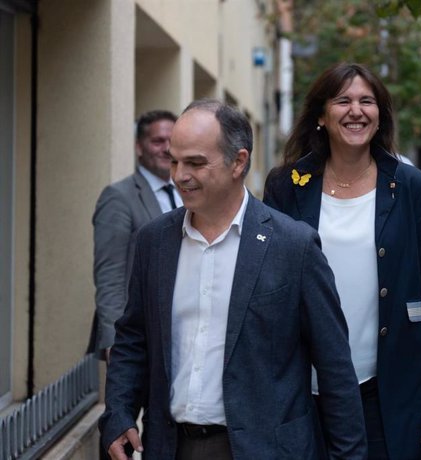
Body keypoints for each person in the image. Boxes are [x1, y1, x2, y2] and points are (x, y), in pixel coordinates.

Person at [99, 99, 367, 460]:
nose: (180, 175)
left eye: (195, 163)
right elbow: (134, 338)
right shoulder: (154, 241)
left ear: (238, 162)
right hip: (171, 446)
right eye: (175, 161)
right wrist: (118, 412)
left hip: (266, 449)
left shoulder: (293, 245)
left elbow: (334, 368)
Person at [263, 62, 421, 459]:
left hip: (388, 389)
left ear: (379, 114)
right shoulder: (286, 185)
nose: (356, 111)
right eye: (343, 101)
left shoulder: (409, 185)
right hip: (304, 389)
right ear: (320, 115)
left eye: (367, 101)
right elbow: (267, 287)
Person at [88, 109, 180, 362]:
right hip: (140, 330)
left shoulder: (189, 190)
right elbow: (110, 274)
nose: (166, 148)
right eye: (157, 141)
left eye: (172, 141)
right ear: (139, 147)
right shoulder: (118, 197)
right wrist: (114, 339)